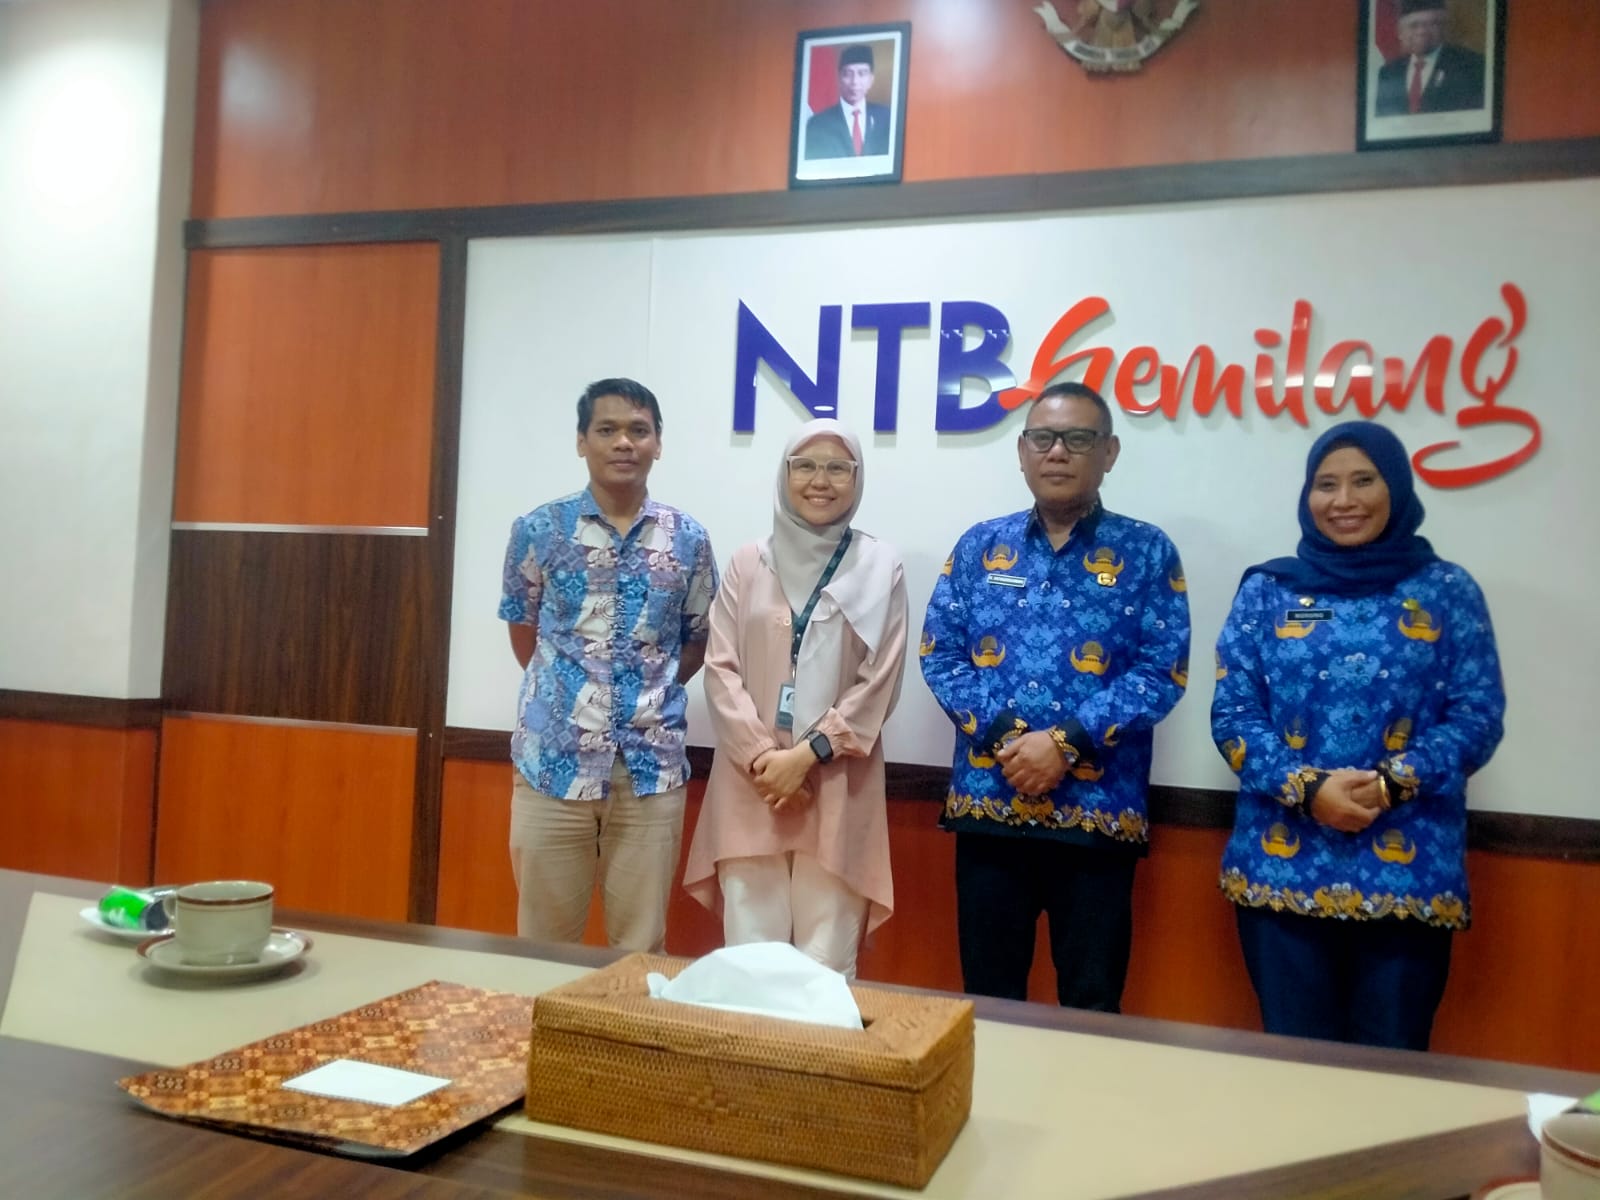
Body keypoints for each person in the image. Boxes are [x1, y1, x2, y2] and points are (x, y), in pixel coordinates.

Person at [1212, 420, 1504, 1050]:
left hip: (1408, 871)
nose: (1343, 500)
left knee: (1391, 1074)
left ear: (1395, 486)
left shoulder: (1447, 591)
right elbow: (1233, 714)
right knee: (1295, 1067)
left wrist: (1392, 783)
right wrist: (1307, 787)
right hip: (1282, 869)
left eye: (1363, 480)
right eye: (1326, 484)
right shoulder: (1269, 590)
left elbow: (1478, 715)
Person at [920, 382, 1190, 1010]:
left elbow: (1161, 671)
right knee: (989, 1001)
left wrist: (1066, 743)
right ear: (1022, 452)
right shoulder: (980, 546)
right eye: (1043, 438)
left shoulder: (1148, 552)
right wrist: (1010, 739)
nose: (1058, 452)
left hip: (1098, 815)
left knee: (1092, 1005)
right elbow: (941, 655)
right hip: (990, 807)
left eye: (1078, 438)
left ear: (1109, 452)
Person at [499, 378, 718, 953]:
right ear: (582, 441)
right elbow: (523, 632)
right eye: (607, 429)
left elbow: (698, 637)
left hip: (650, 771)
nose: (624, 442)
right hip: (552, 765)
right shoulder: (538, 530)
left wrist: (645, 694)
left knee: (640, 950)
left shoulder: (689, 539)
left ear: (658, 443)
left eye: (638, 430)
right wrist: (572, 693)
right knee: (542, 949)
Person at [684, 419, 907, 979]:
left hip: (837, 784)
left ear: (858, 477)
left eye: (837, 468)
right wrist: (766, 761)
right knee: (749, 962)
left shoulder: (881, 565)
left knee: (825, 970)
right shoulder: (748, 561)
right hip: (752, 785)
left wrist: (805, 757)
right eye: (804, 465)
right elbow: (720, 668)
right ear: (784, 475)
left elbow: (880, 681)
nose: (820, 480)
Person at [1375, 0, 1486, 116]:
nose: (1422, 31)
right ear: (1400, 32)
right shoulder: (1388, 73)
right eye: (1413, 25)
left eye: (1432, 24)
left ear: (1444, 28)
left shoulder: (1471, 66)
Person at [803, 44, 892, 160]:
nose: (855, 82)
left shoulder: (888, 118)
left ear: (871, 79)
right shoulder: (818, 124)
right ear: (839, 78)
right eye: (848, 74)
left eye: (862, 73)